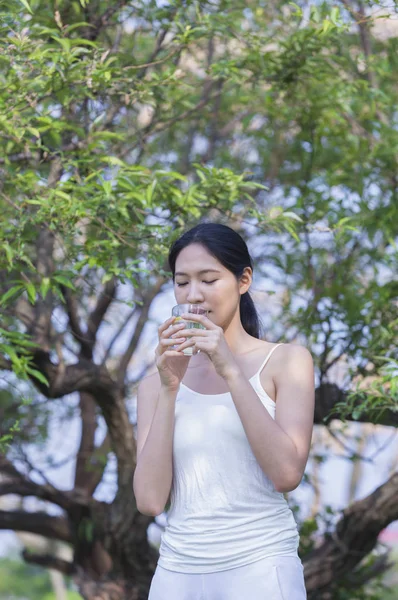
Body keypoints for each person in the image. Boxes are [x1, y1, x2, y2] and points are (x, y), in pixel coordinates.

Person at [133, 223, 315, 600]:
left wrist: (229, 369)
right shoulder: (155, 385)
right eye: (182, 282)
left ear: (243, 279)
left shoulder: (286, 362)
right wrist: (169, 389)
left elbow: (286, 474)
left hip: (262, 568)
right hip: (177, 573)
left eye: (209, 279)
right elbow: (150, 501)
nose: (194, 294)